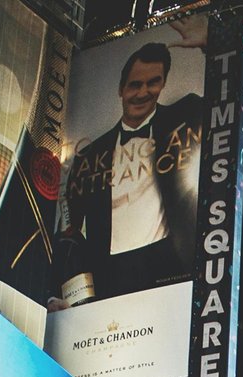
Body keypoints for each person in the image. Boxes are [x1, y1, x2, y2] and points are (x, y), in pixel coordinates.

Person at [54, 20, 206, 307]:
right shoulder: (89, 156)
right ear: (121, 90)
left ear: (163, 82)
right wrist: (68, 299)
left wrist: (212, 41)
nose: (143, 92)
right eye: (135, 84)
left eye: (154, 82)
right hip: (110, 275)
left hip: (170, 266)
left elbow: (228, 104)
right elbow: (69, 236)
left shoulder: (186, 115)